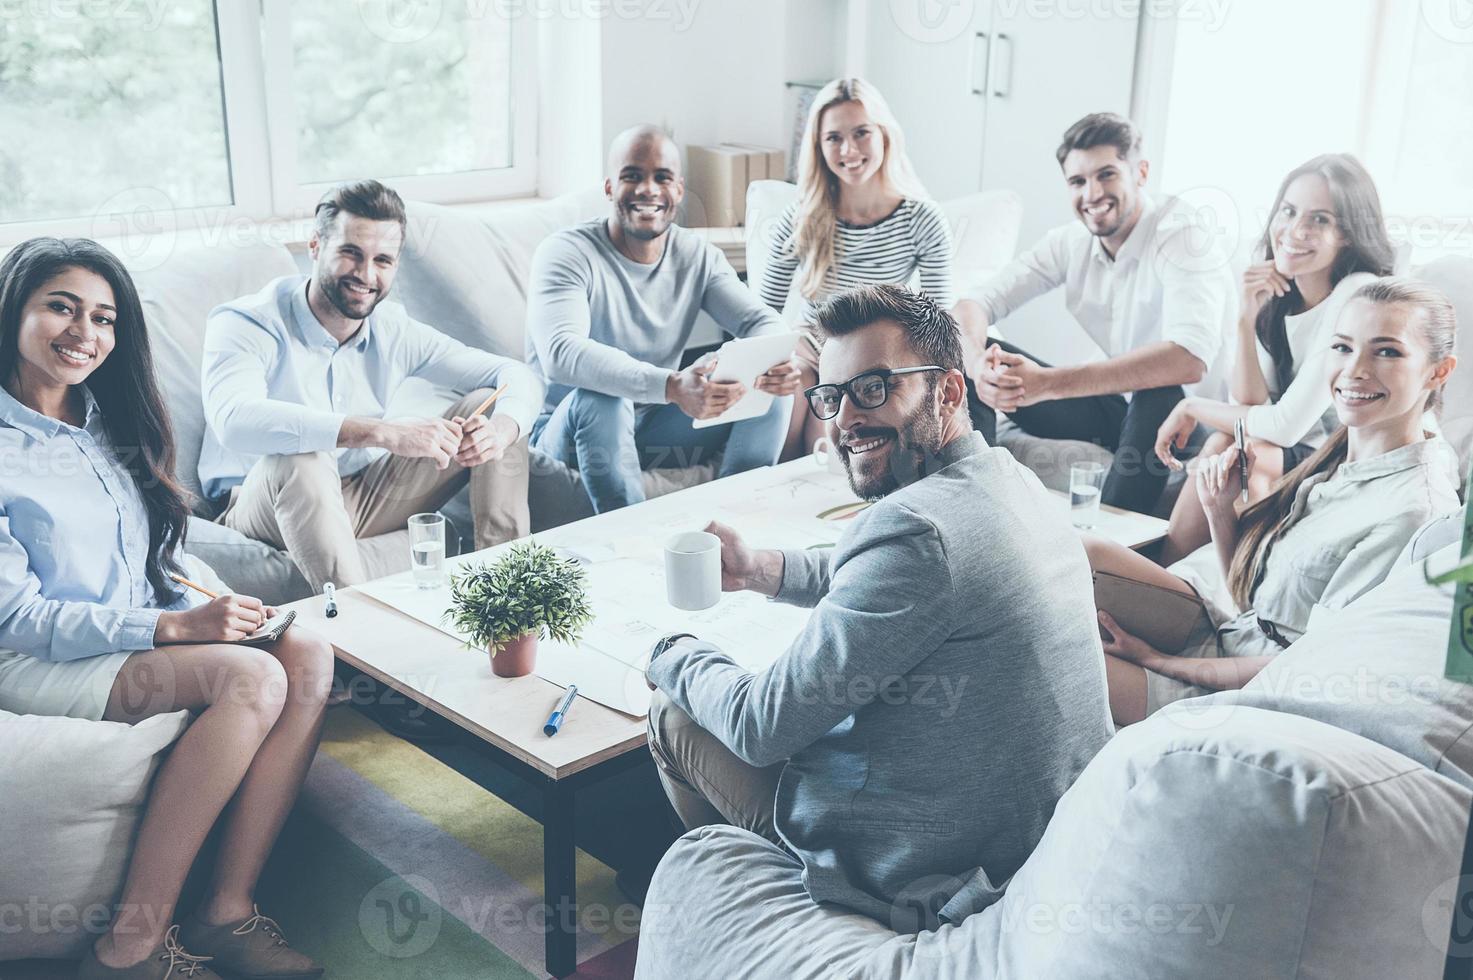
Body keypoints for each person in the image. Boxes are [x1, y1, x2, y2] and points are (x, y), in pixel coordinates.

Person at [644, 284, 1112, 931]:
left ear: (948, 391)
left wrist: (670, 651)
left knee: (676, 711)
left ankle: (761, 910)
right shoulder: (1010, 480)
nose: (842, 421)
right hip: (1038, 838)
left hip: (919, 869)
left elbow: (760, 727)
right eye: (831, 397)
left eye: (873, 389)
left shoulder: (915, 531)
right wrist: (760, 570)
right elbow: (884, 576)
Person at [0, 238, 330, 980]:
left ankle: (224, 913)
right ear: (13, 310)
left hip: (131, 633)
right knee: (252, 681)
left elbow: (159, 550)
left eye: (105, 317)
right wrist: (170, 627)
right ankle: (129, 949)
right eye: (61, 306)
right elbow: (18, 617)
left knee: (306, 651)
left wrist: (212, 600)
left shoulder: (106, 420)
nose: (86, 331)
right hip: (37, 660)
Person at [1087, 277, 1460, 725]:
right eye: (1342, 347)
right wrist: (1219, 512)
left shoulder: (1411, 509)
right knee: (1082, 555)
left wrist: (1158, 662)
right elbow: (1251, 601)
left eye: (1388, 351)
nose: (1355, 369)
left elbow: (1311, 666)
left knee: (1057, 658)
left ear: (1438, 371)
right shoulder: (1342, 453)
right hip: (1231, 634)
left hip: (1253, 689)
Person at [200, 179, 541, 591]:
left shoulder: (393, 329)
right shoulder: (248, 322)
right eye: (350, 253)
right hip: (261, 503)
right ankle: (357, 633)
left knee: (488, 407)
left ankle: (510, 598)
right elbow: (233, 419)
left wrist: (504, 429)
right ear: (314, 247)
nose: (366, 274)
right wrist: (382, 432)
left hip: (363, 497)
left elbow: (515, 374)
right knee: (301, 457)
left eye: (383, 260)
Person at [954, 112, 1235, 513]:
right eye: (1078, 181)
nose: (1092, 193)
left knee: (1158, 390)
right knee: (977, 352)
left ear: (1140, 172)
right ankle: (976, 501)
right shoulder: (1070, 242)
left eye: (1106, 175)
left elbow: (1189, 361)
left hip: (1190, 419)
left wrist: (1048, 383)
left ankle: (1113, 547)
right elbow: (972, 305)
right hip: (1117, 411)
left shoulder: (1182, 234)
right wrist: (980, 364)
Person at [526, 125, 802, 513]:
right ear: (609, 188)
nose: (648, 189)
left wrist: (768, 361)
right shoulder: (566, 253)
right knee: (603, 398)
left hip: (654, 428)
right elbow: (560, 353)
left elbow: (763, 322)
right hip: (568, 432)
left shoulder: (696, 256)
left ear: (679, 190)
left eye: (662, 177)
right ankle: (629, 536)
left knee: (772, 384)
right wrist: (672, 385)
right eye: (632, 176)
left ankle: (738, 520)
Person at [1153, 154, 1395, 563]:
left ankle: (1173, 583)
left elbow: (1283, 427)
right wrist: (1247, 318)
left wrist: (1191, 404)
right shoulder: (1283, 295)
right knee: (1225, 443)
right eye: (1289, 211)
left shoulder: (1358, 292)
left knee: (1239, 455)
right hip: (1300, 446)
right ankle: (1162, 577)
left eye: (1320, 219)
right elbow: (1251, 406)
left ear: (1349, 235)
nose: (1295, 230)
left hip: (1357, 452)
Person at [758, 77, 956, 461]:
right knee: (796, 393)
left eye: (861, 133)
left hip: (877, 352)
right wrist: (784, 345)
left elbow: (940, 323)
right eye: (833, 138)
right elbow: (760, 311)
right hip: (812, 347)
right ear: (819, 147)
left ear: (884, 135)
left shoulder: (922, 219)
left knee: (836, 429)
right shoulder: (801, 216)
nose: (849, 150)